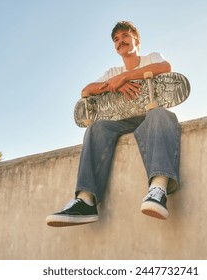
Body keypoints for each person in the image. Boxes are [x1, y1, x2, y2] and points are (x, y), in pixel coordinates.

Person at [46, 21, 181, 227]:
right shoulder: (112, 72)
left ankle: (158, 189)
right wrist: (116, 84)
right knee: (96, 127)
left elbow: (165, 67)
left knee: (160, 115)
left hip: (150, 116)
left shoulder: (151, 57)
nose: (120, 41)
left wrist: (126, 76)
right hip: (121, 121)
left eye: (125, 36)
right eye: (116, 39)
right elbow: (88, 89)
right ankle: (85, 201)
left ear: (137, 39)